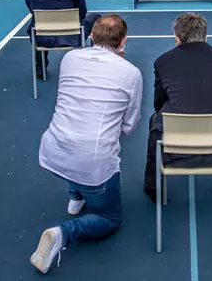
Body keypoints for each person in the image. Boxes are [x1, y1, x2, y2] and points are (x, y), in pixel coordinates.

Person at [30, 14, 143, 275]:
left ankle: (75, 194)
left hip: (53, 150)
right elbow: (129, 127)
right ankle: (63, 233)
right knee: (110, 219)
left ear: (91, 36)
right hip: (92, 163)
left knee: (78, 137)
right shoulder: (132, 73)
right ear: (123, 42)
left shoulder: (69, 58)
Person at [143, 13, 212, 202]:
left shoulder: (163, 61)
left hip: (176, 145)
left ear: (177, 37)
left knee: (154, 122)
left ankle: (154, 188)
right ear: (205, 35)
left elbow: (159, 101)